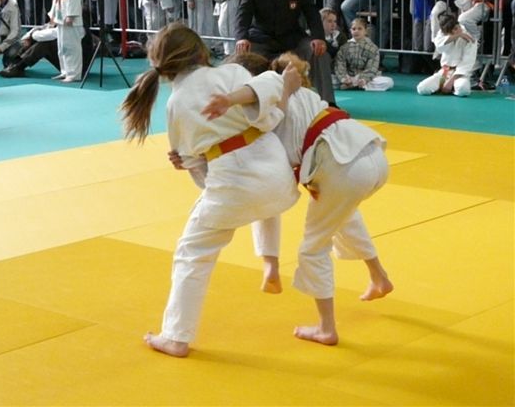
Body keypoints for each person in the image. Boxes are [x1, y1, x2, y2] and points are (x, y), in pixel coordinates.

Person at [120, 23, 300, 357]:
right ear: (202, 52)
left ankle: (176, 336)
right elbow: (268, 101)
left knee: (192, 252)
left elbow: (193, 162)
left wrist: (190, 164)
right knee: (258, 204)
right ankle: (270, 262)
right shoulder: (231, 73)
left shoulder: (175, 104)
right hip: (280, 178)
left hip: (233, 185)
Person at [201, 52, 394, 347]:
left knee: (313, 249)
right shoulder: (295, 90)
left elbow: (266, 194)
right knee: (342, 216)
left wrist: (270, 262)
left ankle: (326, 328)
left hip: (341, 167)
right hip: (371, 153)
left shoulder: (265, 105)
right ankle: (379, 277)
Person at [235, 0, 337, 106]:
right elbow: (243, 13)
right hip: (261, 39)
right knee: (240, 56)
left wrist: (318, 38)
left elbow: (311, 13)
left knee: (319, 53)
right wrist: (241, 38)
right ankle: (241, 102)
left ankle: (329, 103)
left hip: (292, 39)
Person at [417, 12, 477, 96]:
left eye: (456, 28)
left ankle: (452, 87)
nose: (456, 31)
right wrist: (458, 35)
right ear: (446, 32)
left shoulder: (469, 39)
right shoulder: (442, 34)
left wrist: (450, 81)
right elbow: (439, 46)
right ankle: (445, 87)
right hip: (444, 72)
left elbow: (467, 63)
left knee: (463, 89)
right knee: (422, 88)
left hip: (459, 74)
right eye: (452, 31)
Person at [334, 18, 394, 91]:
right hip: (349, 76)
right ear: (350, 31)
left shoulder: (373, 48)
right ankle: (352, 84)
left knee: (389, 82)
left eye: (360, 29)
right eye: (354, 29)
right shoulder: (344, 47)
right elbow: (340, 64)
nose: (356, 31)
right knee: (331, 79)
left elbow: (372, 68)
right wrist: (344, 78)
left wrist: (364, 79)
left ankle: (356, 85)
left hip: (367, 78)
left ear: (365, 31)